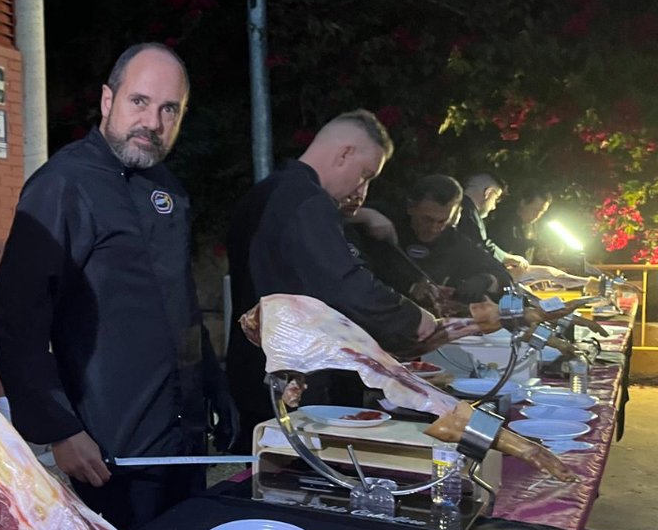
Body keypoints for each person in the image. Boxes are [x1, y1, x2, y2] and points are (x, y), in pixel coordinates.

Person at [0, 43, 234, 530]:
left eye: (170, 110)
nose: (153, 122)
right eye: (139, 102)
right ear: (107, 101)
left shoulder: (170, 189)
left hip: (181, 436)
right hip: (112, 446)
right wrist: (60, 429)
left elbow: (179, 303)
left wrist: (214, 386)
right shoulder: (63, 184)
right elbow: (16, 318)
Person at [225, 111, 475, 447]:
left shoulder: (265, 192)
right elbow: (343, 284)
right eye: (365, 174)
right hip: (294, 376)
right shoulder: (307, 200)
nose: (362, 188)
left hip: (254, 365)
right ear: (345, 153)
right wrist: (414, 318)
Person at [368, 174, 514, 304]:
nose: (433, 228)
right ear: (411, 207)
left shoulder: (454, 241)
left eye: (442, 221)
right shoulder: (385, 221)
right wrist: (364, 215)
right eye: (427, 219)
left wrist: (486, 280)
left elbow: (505, 280)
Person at [457, 172, 529, 269]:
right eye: (496, 199)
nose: (494, 207)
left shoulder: (454, 206)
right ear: (488, 193)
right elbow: (481, 246)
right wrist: (508, 258)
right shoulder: (469, 213)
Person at [488, 185, 553, 262]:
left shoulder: (534, 226)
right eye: (534, 209)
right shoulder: (503, 221)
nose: (537, 215)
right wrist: (537, 243)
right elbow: (508, 243)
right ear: (523, 203)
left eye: (542, 211)